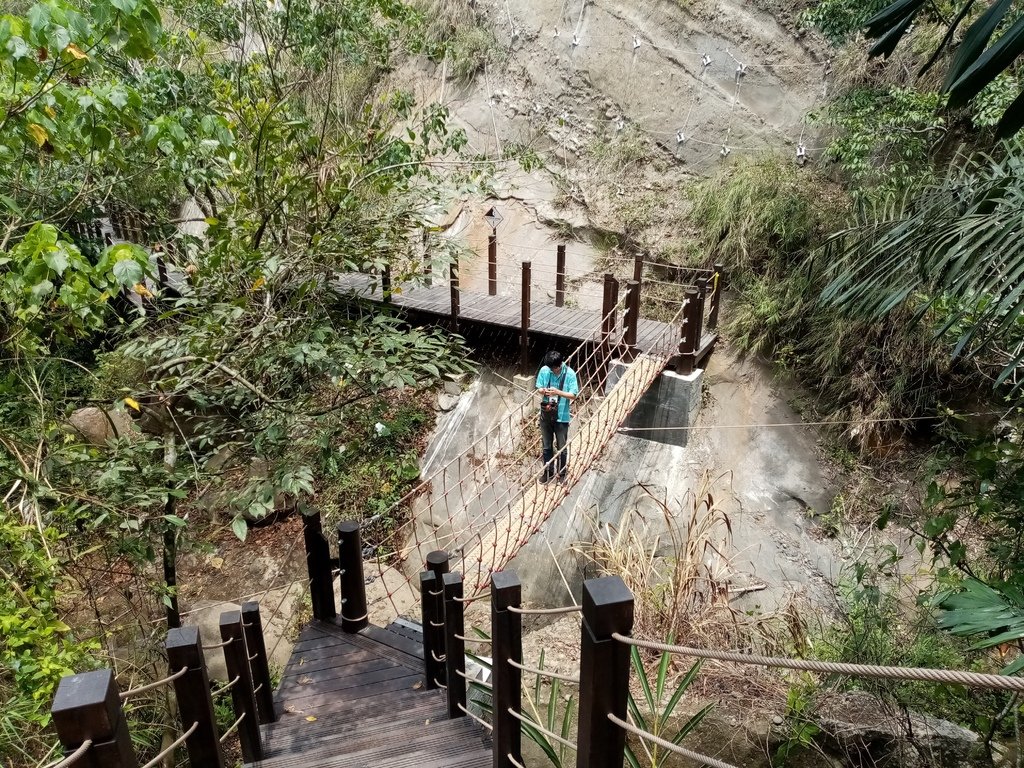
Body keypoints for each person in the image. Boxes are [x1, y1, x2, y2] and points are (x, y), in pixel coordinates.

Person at [535, 351, 579, 484]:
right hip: (546, 414)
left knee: (561, 446)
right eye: (550, 368)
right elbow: (539, 387)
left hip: (562, 416)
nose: (553, 371)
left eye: (554, 368)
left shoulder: (570, 374)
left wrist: (557, 392)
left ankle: (563, 472)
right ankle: (548, 472)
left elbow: (574, 395)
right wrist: (543, 391)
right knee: (546, 445)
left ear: (560, 364)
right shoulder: (545, 370)